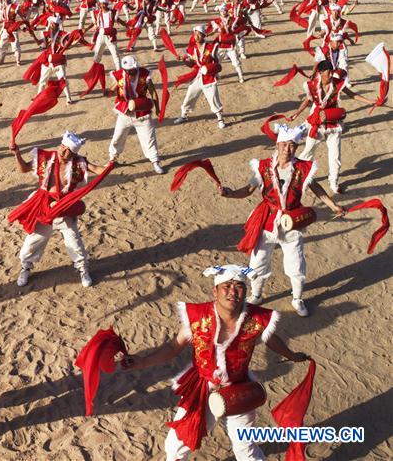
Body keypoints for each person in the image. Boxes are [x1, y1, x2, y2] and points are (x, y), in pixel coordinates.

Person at [121, 264, 310, 461]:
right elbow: (172, 347)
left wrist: (292, 355)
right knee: (177, 445)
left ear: (245, 292)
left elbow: (271, 339)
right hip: (202, 388)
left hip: (239, 388)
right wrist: (142, 362)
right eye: (226, 286)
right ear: (215, 290)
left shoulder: (256, 318)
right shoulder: (197, 317)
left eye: (238, 287)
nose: (232, 292)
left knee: (246, 450)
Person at [219, 123, 345, 317]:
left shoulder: (303, 168)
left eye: (292, 145)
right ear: (277, 145)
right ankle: (257, 295)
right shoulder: (263, 167)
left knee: (296, 264)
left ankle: (297, 299)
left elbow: (316, 188)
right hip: (267, 221)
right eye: (284, 144)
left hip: (292, 223)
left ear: (297, 147)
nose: (288, 149)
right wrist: (229, 194)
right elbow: (247, 190)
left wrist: (332, 205)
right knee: (258, 261)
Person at [9, 132, 109, 287]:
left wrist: (111, 164)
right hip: (43, 206)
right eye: (63, 147)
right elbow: (24, 169)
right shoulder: (45, 157)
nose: (64, 151)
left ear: (74, 153)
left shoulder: (79, 163)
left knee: (74, 240)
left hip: (64, 207)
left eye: (69, 150)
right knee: (33, 240)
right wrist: (17, 154)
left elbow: (98, 169)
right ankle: (26, 267)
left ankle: (83, 269)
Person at [288, 59, 376, 194]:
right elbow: (308, 100)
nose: (330, 75)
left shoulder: (337, 84)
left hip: (333, 123)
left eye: (331, 72)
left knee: (335, 156)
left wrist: (371, 101)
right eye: (328, 72)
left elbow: (352, 95)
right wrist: (296, 114)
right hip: (317, 122)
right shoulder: (311, 86)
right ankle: (297, 177)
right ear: (320, 72)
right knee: (308, 152)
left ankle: (333, 182)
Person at [107, 56, 165, 175]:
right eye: (127, 70)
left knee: (149, 139)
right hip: (125, 113)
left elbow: (152, 92)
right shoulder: (120, 75)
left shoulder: (144, 75)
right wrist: (109, 91)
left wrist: (158, 109)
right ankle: (112, 159)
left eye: (131, 70)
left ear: (136, 67)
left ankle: (155, 161)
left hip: (142, 113)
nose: (128, 72)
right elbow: (112, 89)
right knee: (118, 137)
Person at [174, 25, 227, 129]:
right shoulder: (192, 49)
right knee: (190, 95)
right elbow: (192, 64)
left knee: (213, 98)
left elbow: (217, 64)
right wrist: (184, 60)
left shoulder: (211, 47)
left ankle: (220, 118)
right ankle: (184, 115)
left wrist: (210, 69)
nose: (196, 36)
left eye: (199, 34)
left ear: (204, 35)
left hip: (208, 77)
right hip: (198, 76)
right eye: (195, 34)